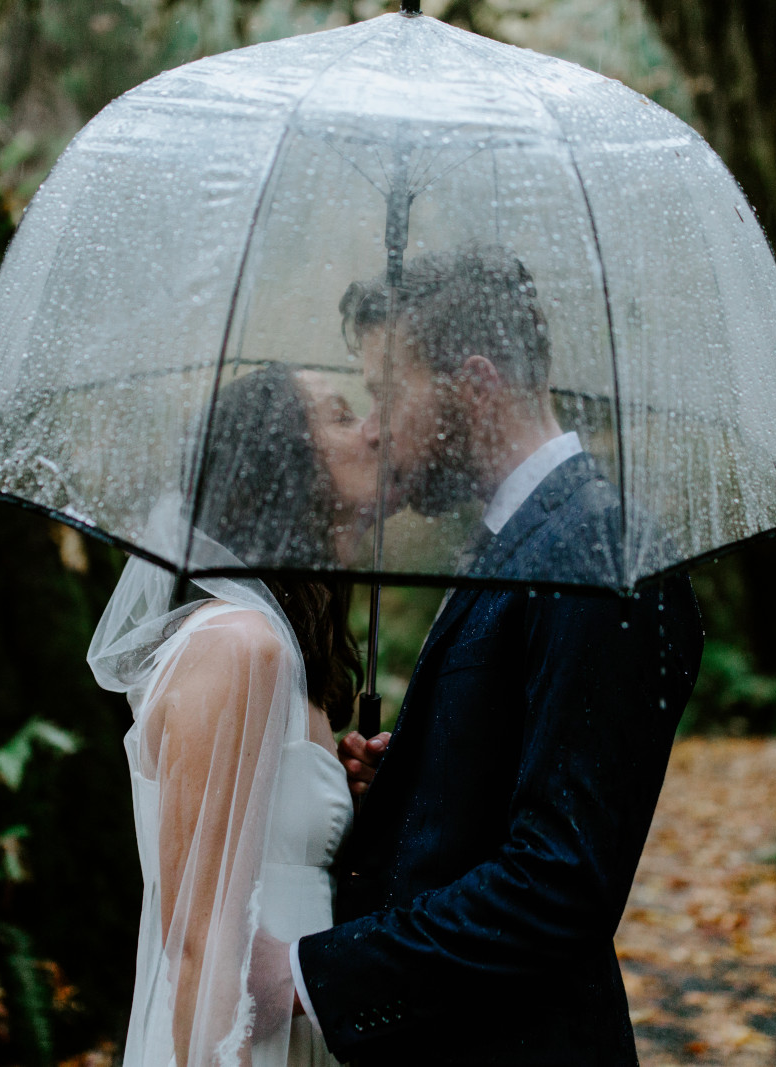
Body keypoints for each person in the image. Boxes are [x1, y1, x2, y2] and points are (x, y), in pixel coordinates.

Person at [289, 246, 705, 1064]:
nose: (373, 426)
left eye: (386, 392)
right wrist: (408, 785)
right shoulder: (519, 537)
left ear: (473, 385)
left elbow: (557, 884)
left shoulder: (597, 551)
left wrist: (317, 975)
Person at [88, 363, 379, 1066]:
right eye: (341, 415)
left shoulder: (283, 654)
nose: (374, 431)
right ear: (281, 463)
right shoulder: (237, 645)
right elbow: (202, 939)